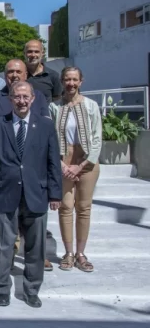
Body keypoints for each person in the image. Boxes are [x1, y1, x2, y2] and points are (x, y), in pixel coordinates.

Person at [0, 81, 62, 308]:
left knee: (35, 247)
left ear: (33, 98)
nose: (21, 101)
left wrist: (55, 193)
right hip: (5, 193)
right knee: (4, 245)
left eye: (25, 96)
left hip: (36, 194)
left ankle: (31, 289)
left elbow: (53, 162)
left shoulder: (45, 126)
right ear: (10, 99)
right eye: (17, 97)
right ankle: (2, 289)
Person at [0, 59, 52, 271]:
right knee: (5, 241)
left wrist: (54, 191)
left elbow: (47, 146)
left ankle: (33, 285)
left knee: (34, 241)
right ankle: (3, 281)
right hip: (7, 181)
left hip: (33, 181)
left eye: (18, 71)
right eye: (10, 72)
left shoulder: (41, 105)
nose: (14, 75)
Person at [49, 67, 102, 273]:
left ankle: (81, 253)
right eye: (67, 79)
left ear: (81, 81)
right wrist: (63, 165)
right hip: (63, 161)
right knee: (65, 207)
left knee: (84, 207)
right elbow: (51, 139)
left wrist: (81, 165)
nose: (70, 83)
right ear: (62, 81)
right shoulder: (54, 107)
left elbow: (97, 138)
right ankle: (68, 253)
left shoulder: (91, 106)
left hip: (87, 162)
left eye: (74, 80)